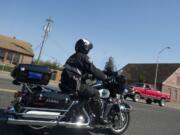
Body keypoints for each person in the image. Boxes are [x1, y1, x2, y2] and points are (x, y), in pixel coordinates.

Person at [60, 38, 108, 124]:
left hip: (66, 83)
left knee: (87, 92)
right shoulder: (83, 57)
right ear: (85, 48)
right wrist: (105, 77)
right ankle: (98, 118)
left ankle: (78, 111)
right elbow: (93, 69)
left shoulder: (72, 56)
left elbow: (78, 71)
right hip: (75, 85)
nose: (89, 50)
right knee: (95, 93)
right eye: (88, 48)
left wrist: (88, 76)